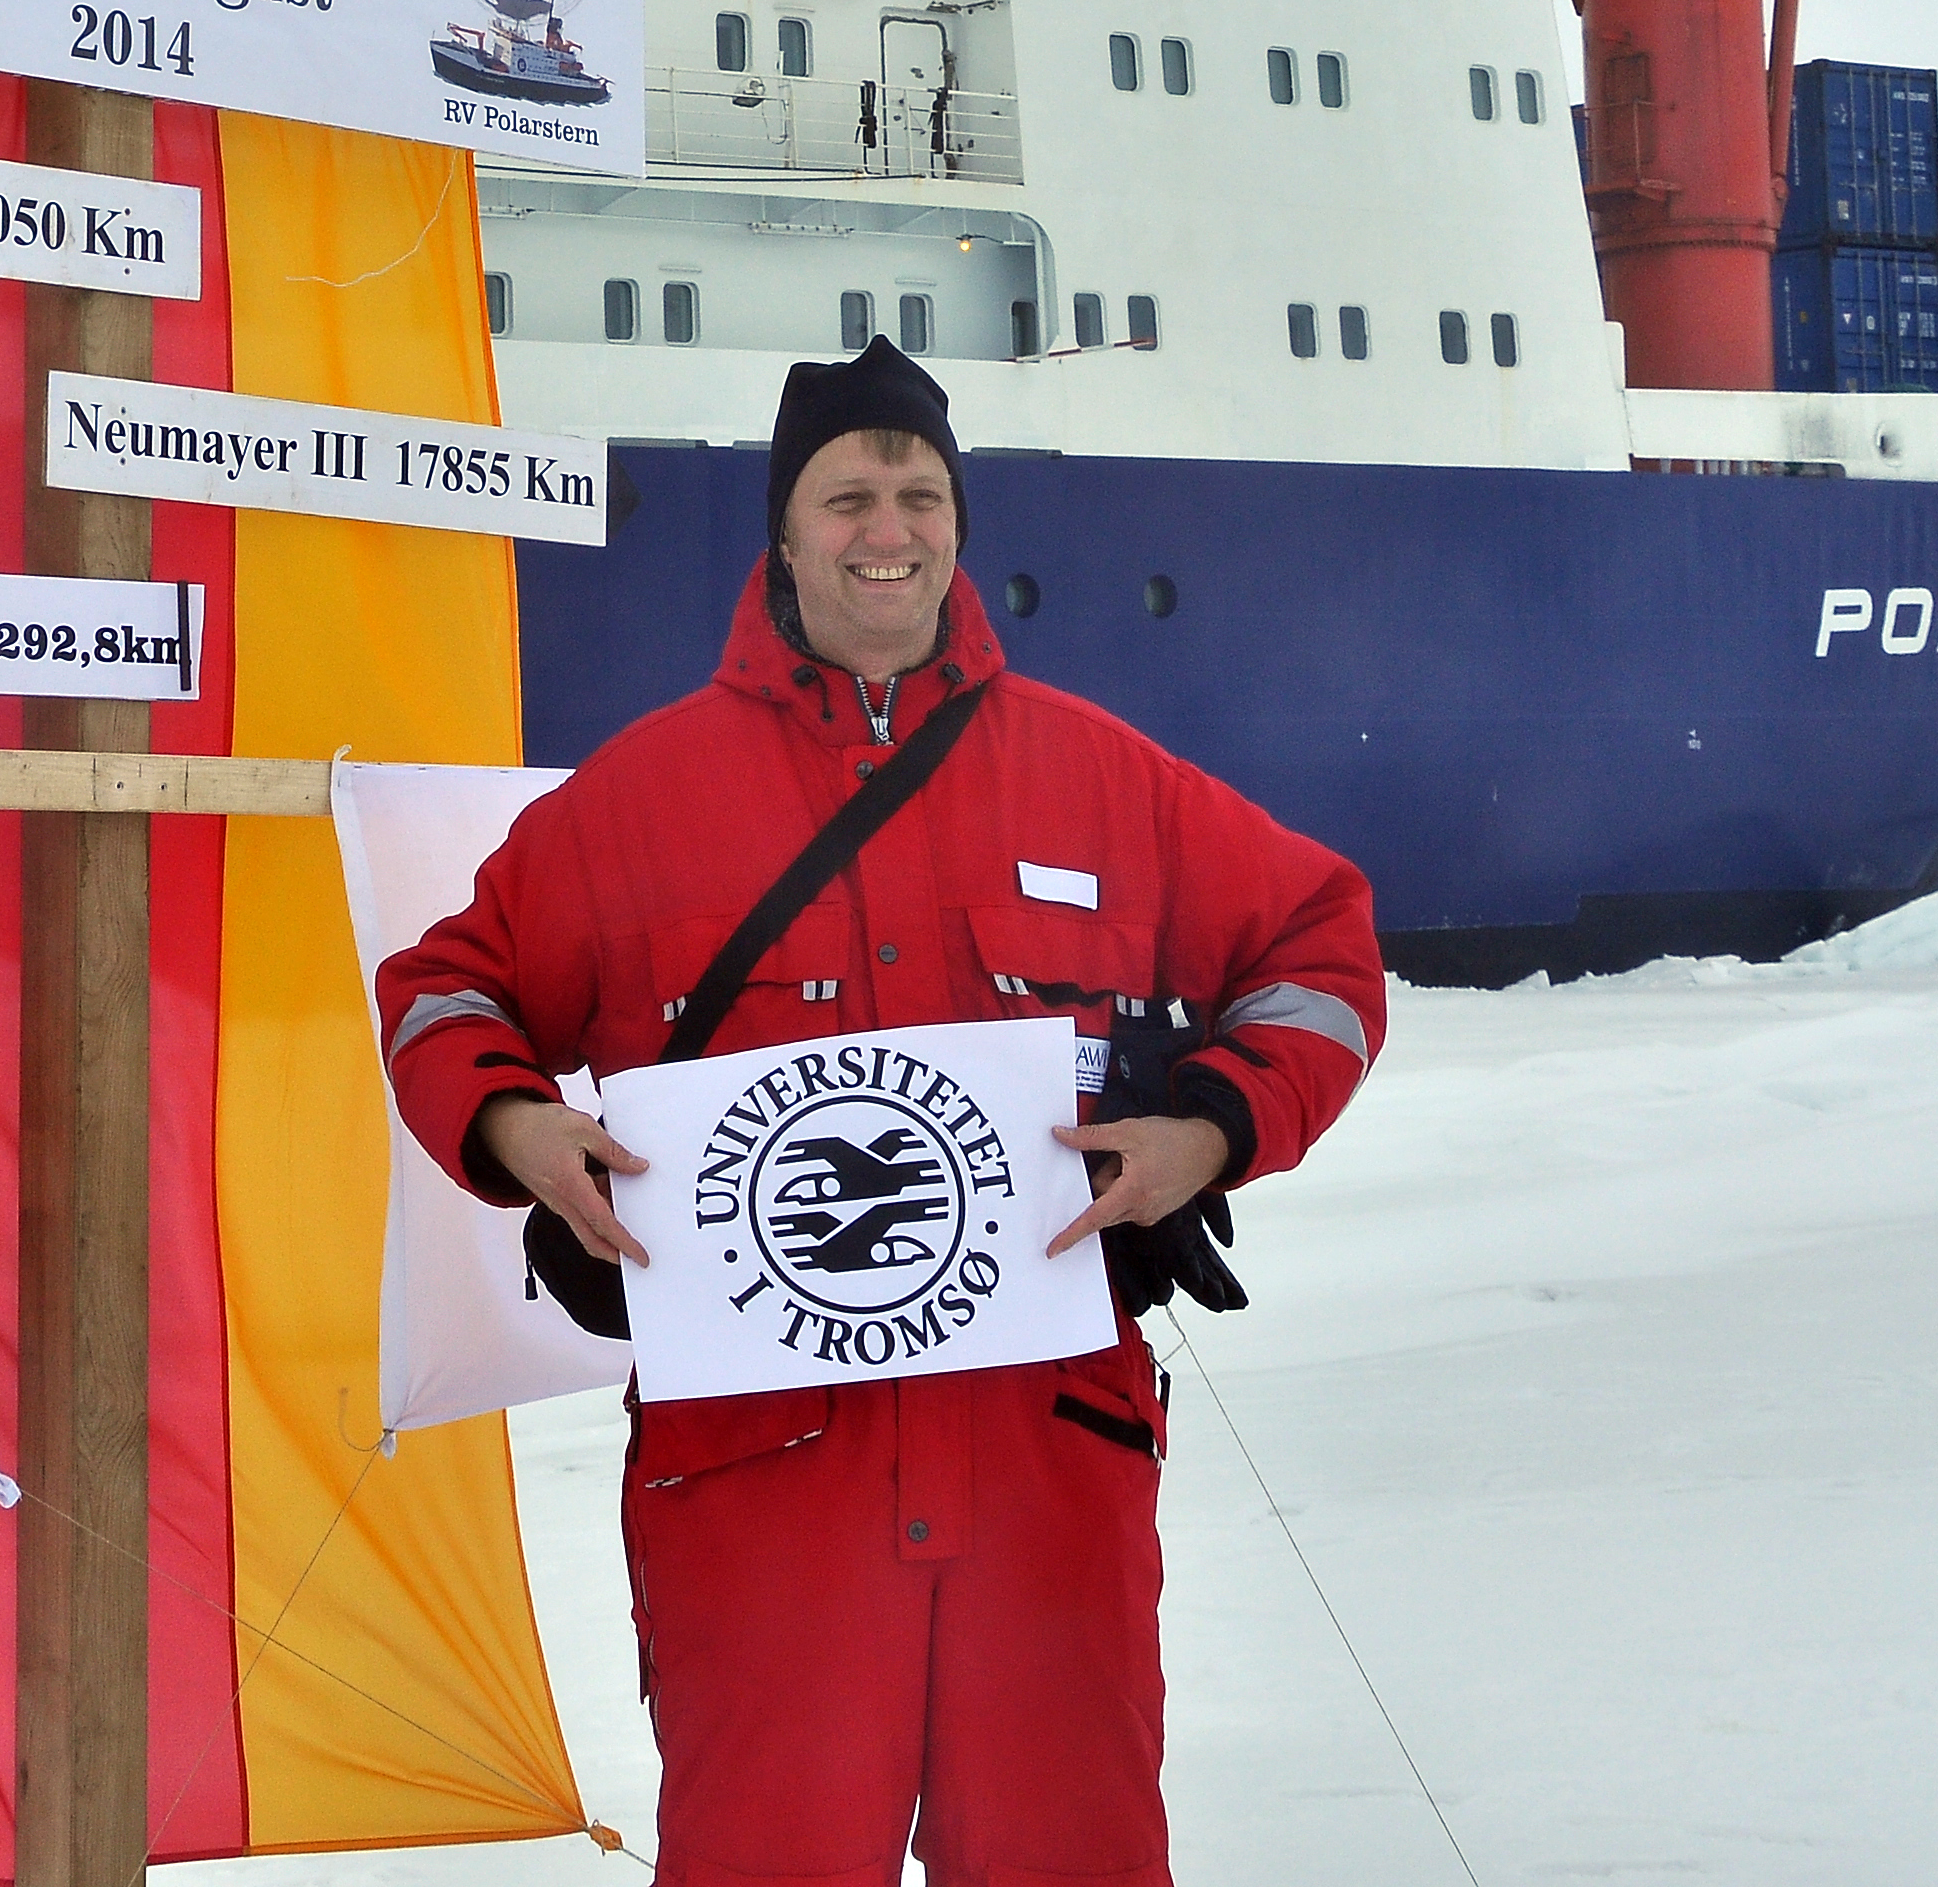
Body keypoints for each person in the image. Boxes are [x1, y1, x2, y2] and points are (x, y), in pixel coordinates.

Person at [377, 338, 1383, 1887]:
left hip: (1048, 1474)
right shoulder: (639, 803)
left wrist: (1212, 1130)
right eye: (847, 494)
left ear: (961, 526)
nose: (887, 528)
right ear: (783, 533)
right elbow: (449, 992)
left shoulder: (1103, 780)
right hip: (760, 1486)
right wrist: (516, 1129)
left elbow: (1320, 947)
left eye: (919, 491)